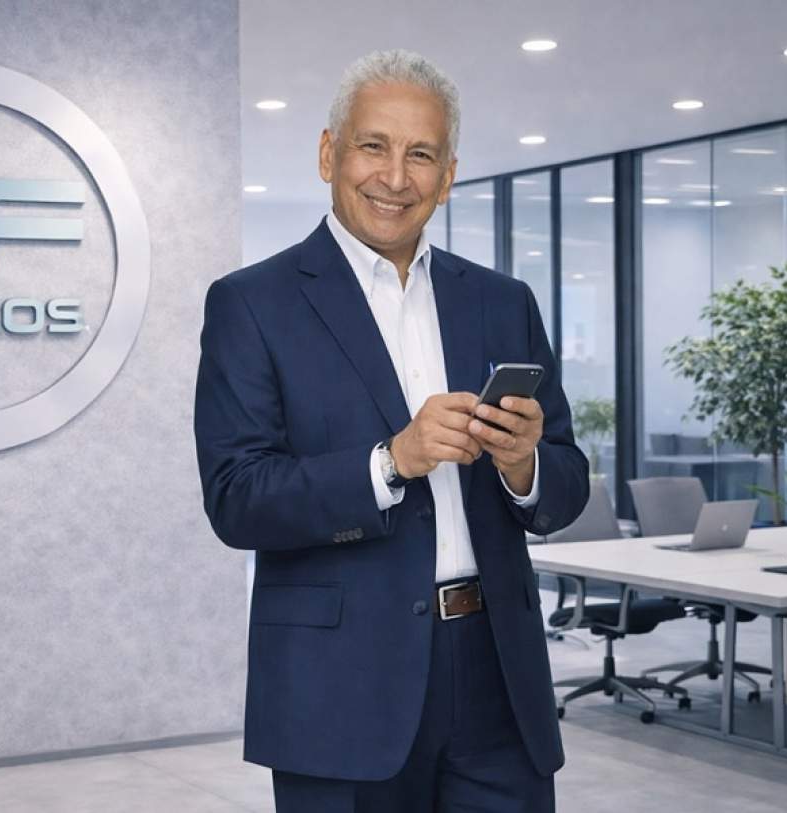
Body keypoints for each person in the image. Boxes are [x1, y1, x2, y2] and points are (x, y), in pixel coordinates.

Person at [194, 50, 589, 812]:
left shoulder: (503, 302)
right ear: (328, 154)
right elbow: (237, 499)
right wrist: (391, 460)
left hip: (498, 678)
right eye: (373, 146)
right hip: (339, 688)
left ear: (448, 176)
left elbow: (566, 481)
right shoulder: (252, 304)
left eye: (422, 155)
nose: (396, 176)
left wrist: (523, 465)